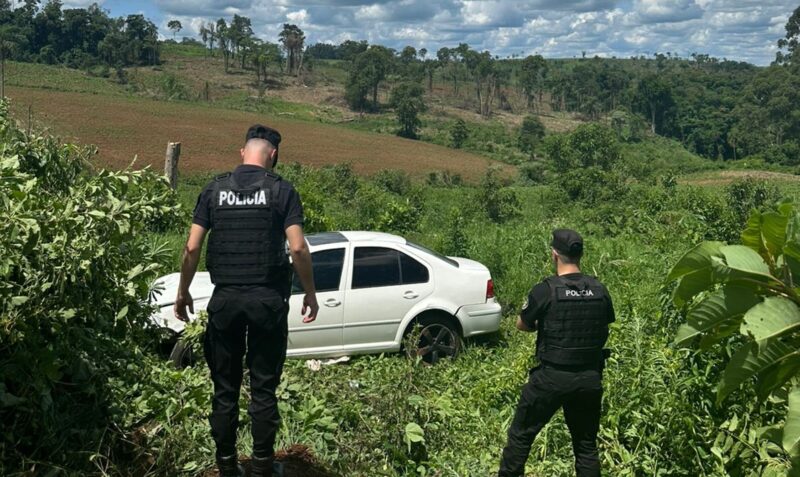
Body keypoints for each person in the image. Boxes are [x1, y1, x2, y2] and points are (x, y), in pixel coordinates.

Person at [174, 124, 319, 477]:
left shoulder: (213, 190)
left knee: (225, 389)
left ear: (243, 152)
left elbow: (192, 247)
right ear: (273, 156)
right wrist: (310, 293)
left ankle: (227, 467)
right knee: (263, 389)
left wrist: (183, 291)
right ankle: (262, 467)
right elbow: (298, 248)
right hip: (267, 303)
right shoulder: (282, 191)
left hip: (225, 303)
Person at [498, 229, 614, 477]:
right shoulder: (600, 289)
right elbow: (603, 326)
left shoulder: (546, 290)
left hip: (551, 377)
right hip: (589, 378)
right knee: (586, 446)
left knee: (521, 436)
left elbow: (522, 325)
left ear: (554, 254)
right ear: (580, 255)